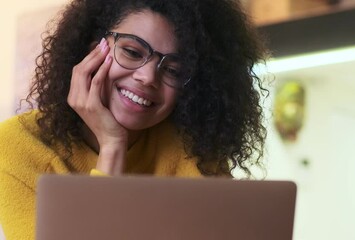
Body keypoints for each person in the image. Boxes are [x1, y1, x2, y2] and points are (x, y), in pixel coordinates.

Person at [0, 0, 268, 239]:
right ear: (93, 51)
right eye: (132, 52)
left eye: (173, 70)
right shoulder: (15, 146)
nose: (148, 77)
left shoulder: (193, 150)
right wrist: (113, 146)